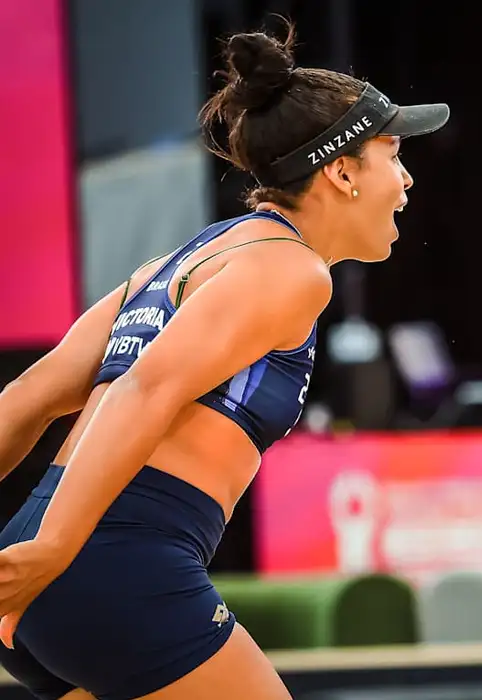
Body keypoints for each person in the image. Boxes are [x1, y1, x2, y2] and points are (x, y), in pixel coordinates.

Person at [0, 22, 448, 700]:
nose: (408, 178)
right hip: (109, 560)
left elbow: (29, 396)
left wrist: (44, 544)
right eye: (394, 154)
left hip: (49, 558)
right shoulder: (292, 270)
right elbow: (144, 390)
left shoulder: (185, 261)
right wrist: (58, 549)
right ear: (341, 170)